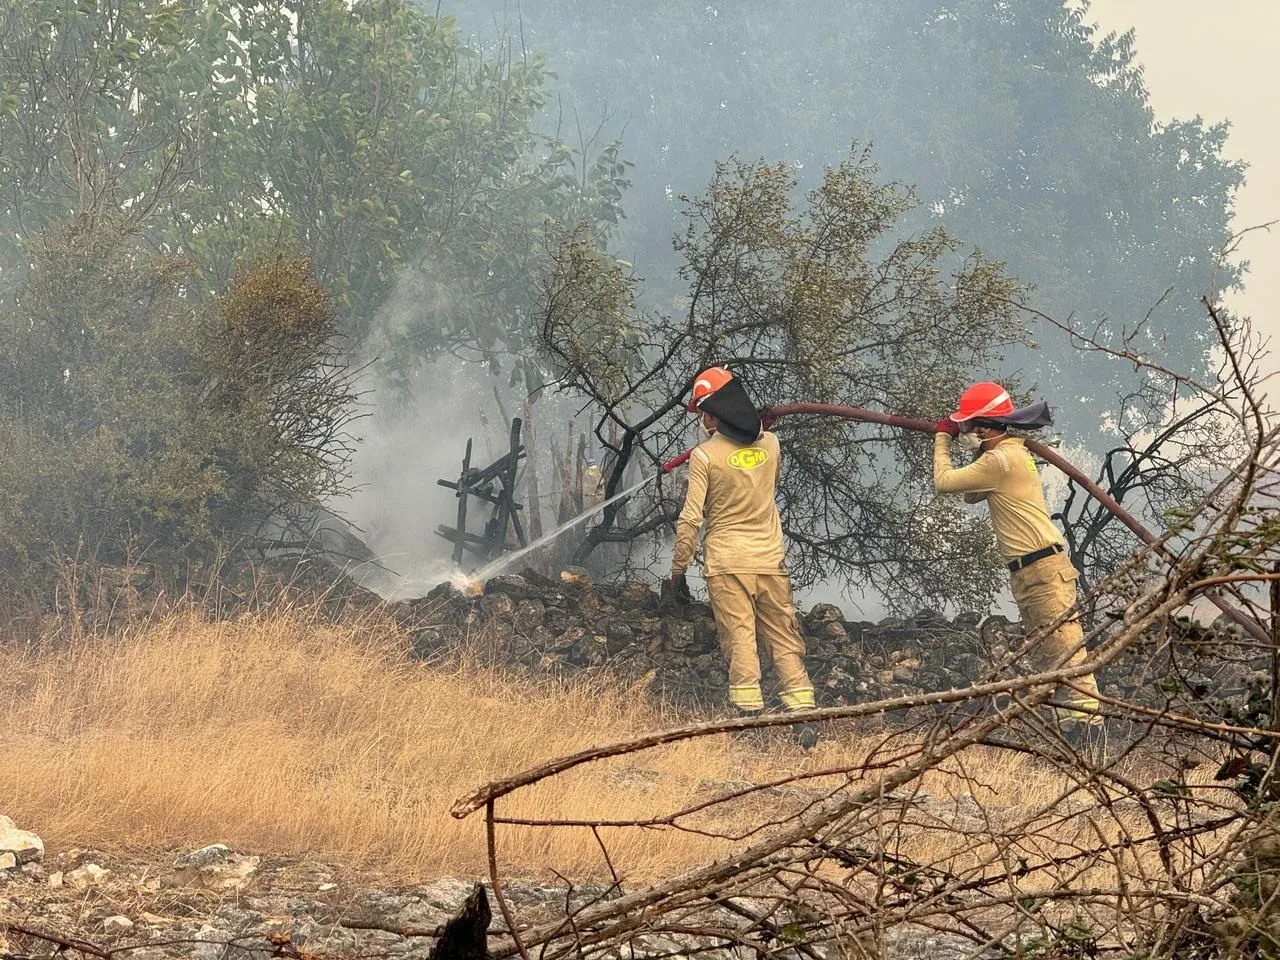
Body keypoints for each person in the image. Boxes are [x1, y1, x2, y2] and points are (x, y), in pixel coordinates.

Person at [934, 381, 1102, 740]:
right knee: (1049, 658)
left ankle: (1092, 733)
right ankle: (1072, 732)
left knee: (1068, 656)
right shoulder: (1003, 456)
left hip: (1041, 569)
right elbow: (972, 495)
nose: (965, 430)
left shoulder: (1002, 458)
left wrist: (942, 438)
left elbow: (944, 482)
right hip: (1032, 570)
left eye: (968, 425)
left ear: (982, 426)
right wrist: (977, 448)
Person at [669, 366, 819, 749]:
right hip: (770, 560)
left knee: (739, 638)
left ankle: (749, 719)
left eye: (703, 412)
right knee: (783, 637)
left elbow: (690, 519)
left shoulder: (703, 457)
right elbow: (769, 484)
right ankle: (803, 715)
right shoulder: (771, 445)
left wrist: (677, 569)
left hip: (727, 563)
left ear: (714, 412)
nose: (701, 420)